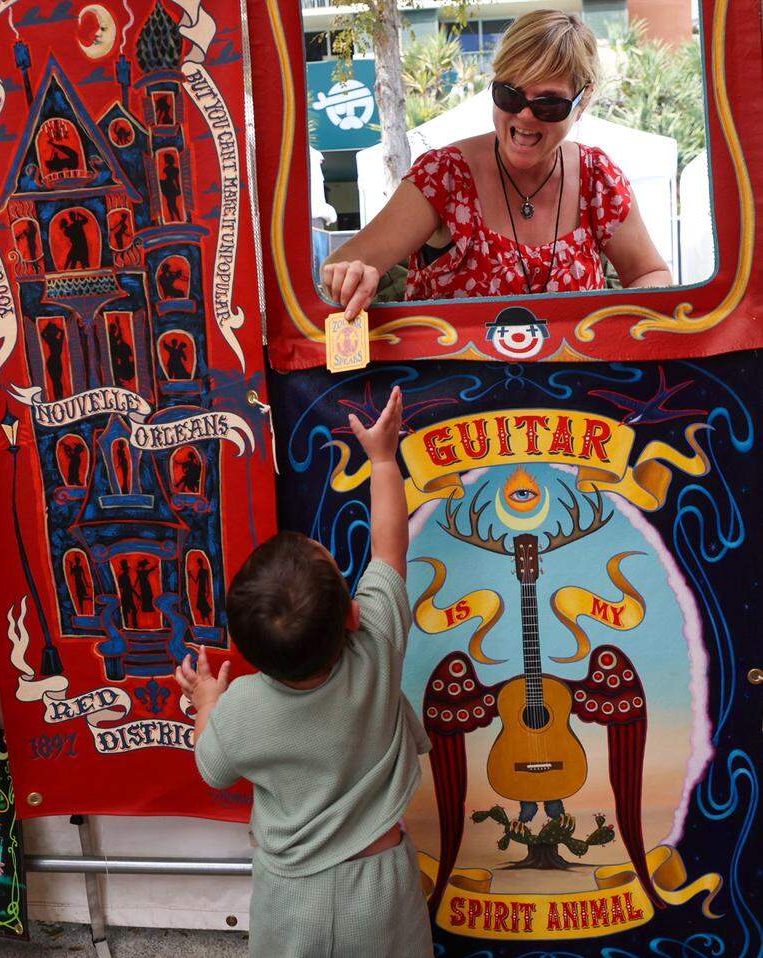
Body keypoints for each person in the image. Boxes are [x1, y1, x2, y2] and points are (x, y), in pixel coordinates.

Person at [177, 386, 432, 958]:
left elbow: (212, 767)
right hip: (381, 883)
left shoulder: (242, 706)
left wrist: (207, 702)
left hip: (290, 896)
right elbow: (390, 550)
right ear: (352, 614)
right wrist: (383, 459)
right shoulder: (376, 649)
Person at [322, 10, 672, 316]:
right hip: (455, 374)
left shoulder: (597, 178)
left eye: (549, 104)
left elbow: (649, 273)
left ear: (582, 102)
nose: (525, 115)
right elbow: (341, 265)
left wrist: (625, 319)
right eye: (510, 95)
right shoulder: (445, 176)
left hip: (578, 372)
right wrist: (348, 277)